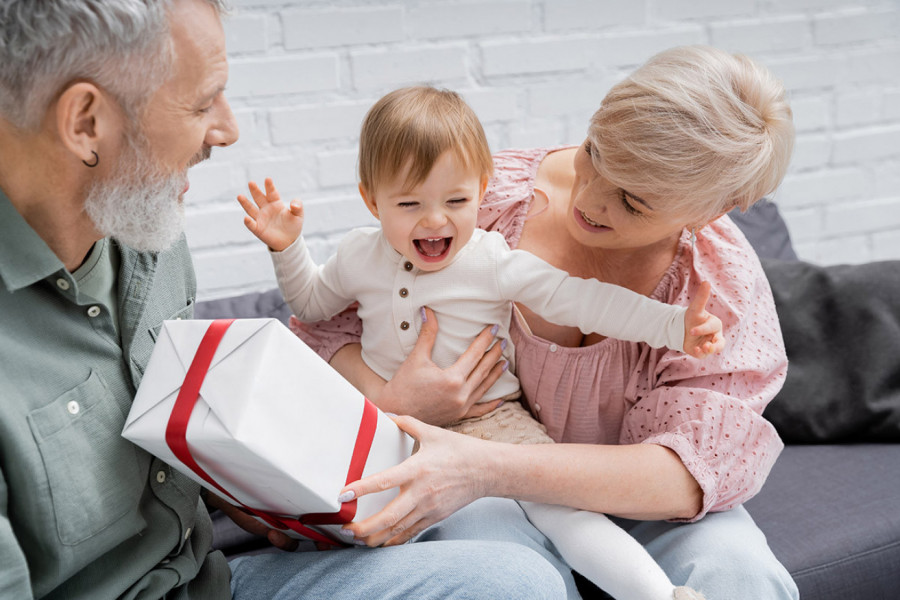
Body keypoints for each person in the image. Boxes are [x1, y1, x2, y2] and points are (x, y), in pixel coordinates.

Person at [0, 2, 569, 599]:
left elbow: (174, 431)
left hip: (214, 581)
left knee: (517, 580)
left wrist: (245, 485)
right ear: (86, 122)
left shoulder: (150, 236)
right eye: (201, 103)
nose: (227, 130)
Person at [292, 46, 801, 600]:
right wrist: (393, 400)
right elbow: (329, 324)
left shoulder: (719, 287)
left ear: (709, 211)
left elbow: (684, 476)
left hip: (635, 498)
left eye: (633, 201)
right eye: (595, 152)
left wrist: (489, 466)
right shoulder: (483, 200)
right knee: (510, 573)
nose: (590, 197)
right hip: (471, 478)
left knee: (741, 578)